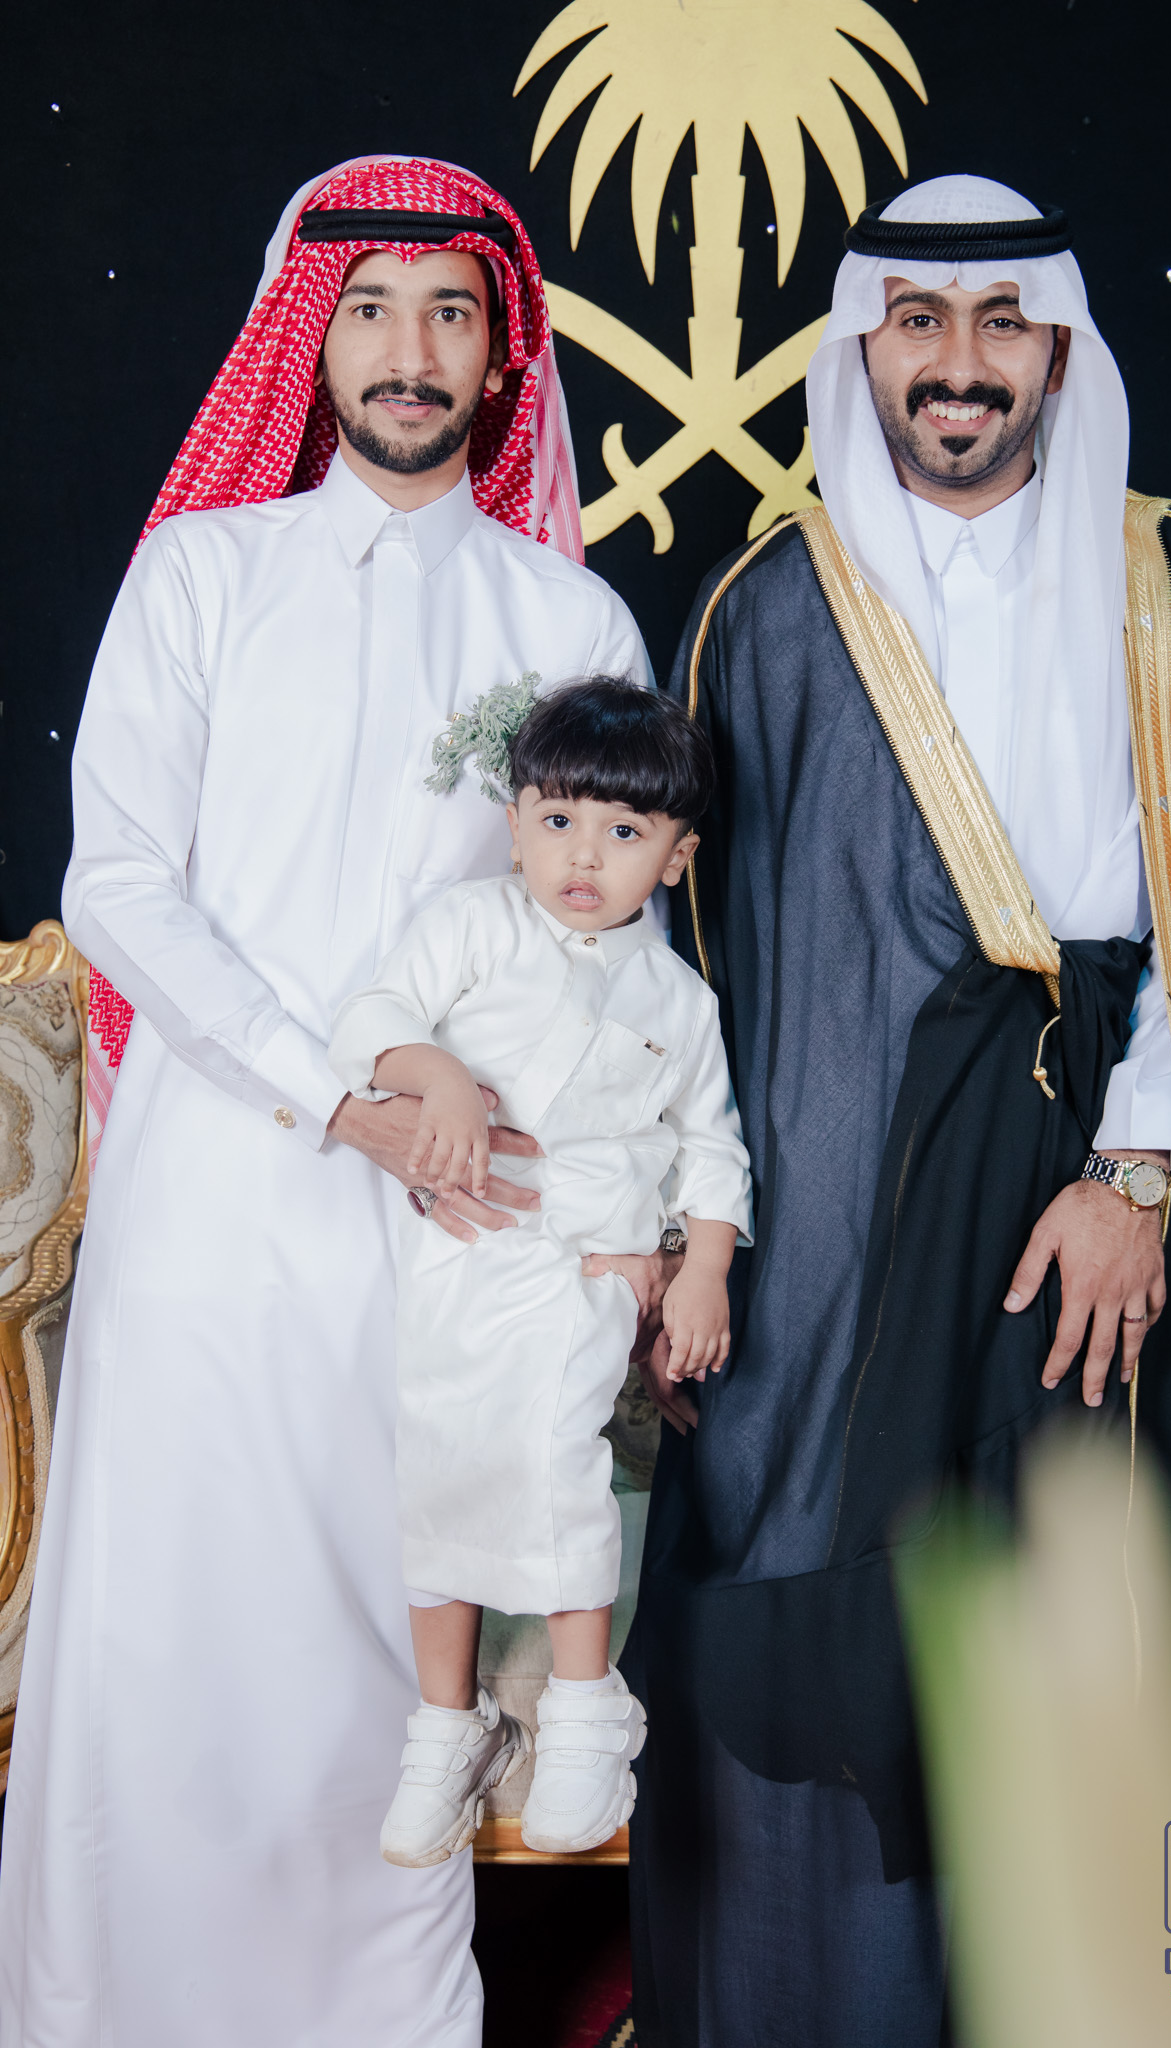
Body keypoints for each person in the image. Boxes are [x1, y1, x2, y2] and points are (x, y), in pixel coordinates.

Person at [623, 175, 1171, 2047]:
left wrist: (1134, 1168)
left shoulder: (1164, 580)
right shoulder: (765, 609)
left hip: (1126, 1200)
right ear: (864, 347)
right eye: (921, 323)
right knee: (842, 1630)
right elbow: (693, 971)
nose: (959, 365)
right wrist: (690, 1240)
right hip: (844, 1228)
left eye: (1002, 323)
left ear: (1059, 353)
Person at [0, 157, 650, 2047]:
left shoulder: (572, 620)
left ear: (501, 352)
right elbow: (121, 884)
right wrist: (335, 1089)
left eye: (449, 311)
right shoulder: (206, 575)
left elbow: (596, 933)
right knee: (173, 1634)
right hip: (215, 1198)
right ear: (311, 337)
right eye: (368, 308)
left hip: (456, 1218)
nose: (408, 349)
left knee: (389, 1660)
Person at [327, 678, 751, 1862]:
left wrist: (702, 1268)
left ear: (677, 856)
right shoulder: (470, 925)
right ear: (514, 824)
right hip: (463, 1254)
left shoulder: (681, 999)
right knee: (438, 1468)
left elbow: (713, 1146)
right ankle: (447, 1724)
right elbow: (369, 1017)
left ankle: (584, 1711)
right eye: (559, 820)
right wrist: (438, 1077)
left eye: (625, 831)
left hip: (589, 1267)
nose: (585, 854)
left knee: (560, 1458)